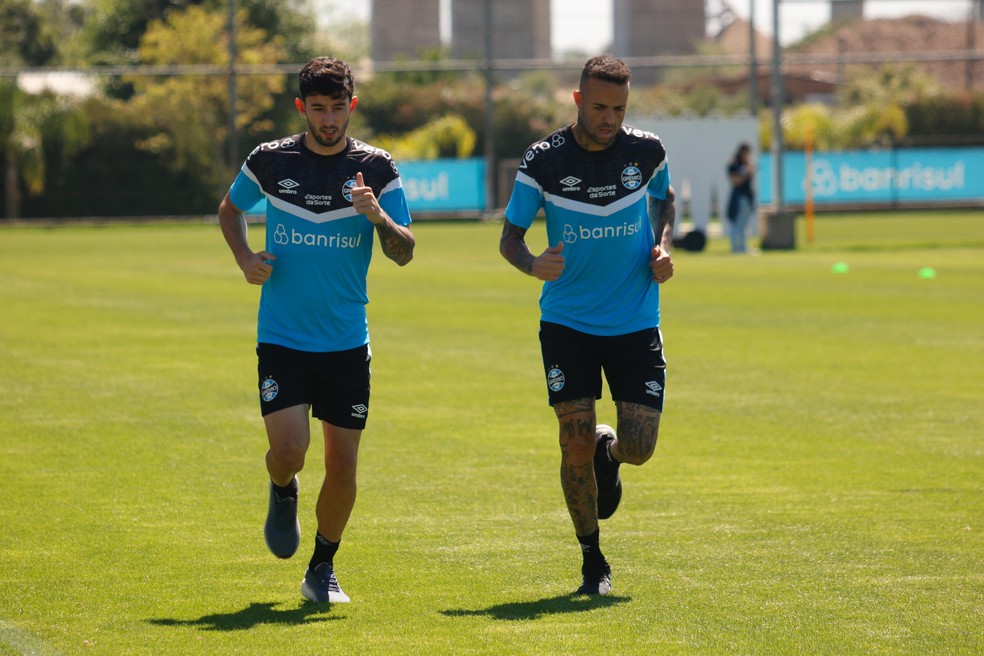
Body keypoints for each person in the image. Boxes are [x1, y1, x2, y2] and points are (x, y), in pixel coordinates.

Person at [217, 56, 415, 604]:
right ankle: (283, 488)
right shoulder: (271, 160)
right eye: (319, 109)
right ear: (302, 107)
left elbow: (404, 251)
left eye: (338, 108)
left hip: (346, 341)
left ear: (352, 106)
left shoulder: (377, 168)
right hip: (283, 336)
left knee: (343, 462)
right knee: (288, 451)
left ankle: (322, 567)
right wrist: (244, 258)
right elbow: (230, 210)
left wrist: (377, 217)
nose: (329, 120)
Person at [499, 54, 676, 596]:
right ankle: (592, 559)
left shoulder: (647, 151)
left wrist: (661, 246)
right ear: (578, 100)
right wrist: (532, 264)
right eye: (599, 107)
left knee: (640, 446)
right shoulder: (543, 160)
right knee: (572, 443)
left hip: (634, 318)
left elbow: (663, 200)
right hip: (567, 322)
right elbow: (510, 238)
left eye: (619, 109)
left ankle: (611, 452)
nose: (609, 118)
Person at [726, 142, 756, 253]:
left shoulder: (747, 163)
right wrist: (746, 173)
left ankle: (742, 247)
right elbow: (736, 181)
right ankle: (736, 248)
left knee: (744, 225)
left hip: (748, 197)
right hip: (739, 198)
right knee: (737, 225)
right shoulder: (735, 164)